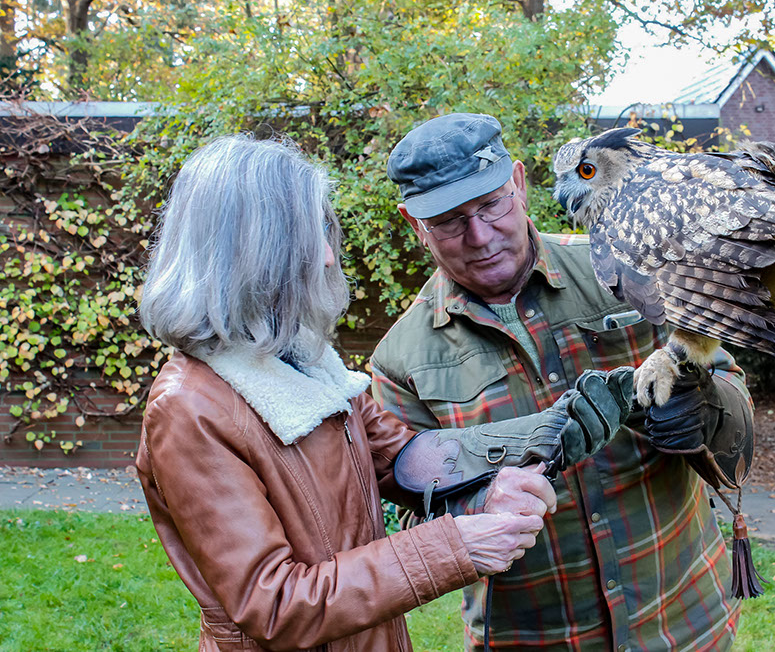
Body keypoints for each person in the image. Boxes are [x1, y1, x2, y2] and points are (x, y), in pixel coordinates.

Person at [134, 133, 633, 652]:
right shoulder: (189, 409)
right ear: (251, 254)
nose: (328, 256)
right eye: (307, 236)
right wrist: (455, 547)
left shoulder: (302, 363)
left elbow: (404, 458)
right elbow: (274, 604)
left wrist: (528, 450)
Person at [371, 113, 755, 650]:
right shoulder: (400, 360)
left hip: (684, 621)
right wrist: (480, 504)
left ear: (519, 183)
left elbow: (732, 394)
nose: (479, 236)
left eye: (490, 205)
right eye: (450, 222)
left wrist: (707, 406)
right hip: (536, 639)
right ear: (415, 223)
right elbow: (412, 508)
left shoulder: (628, 268)